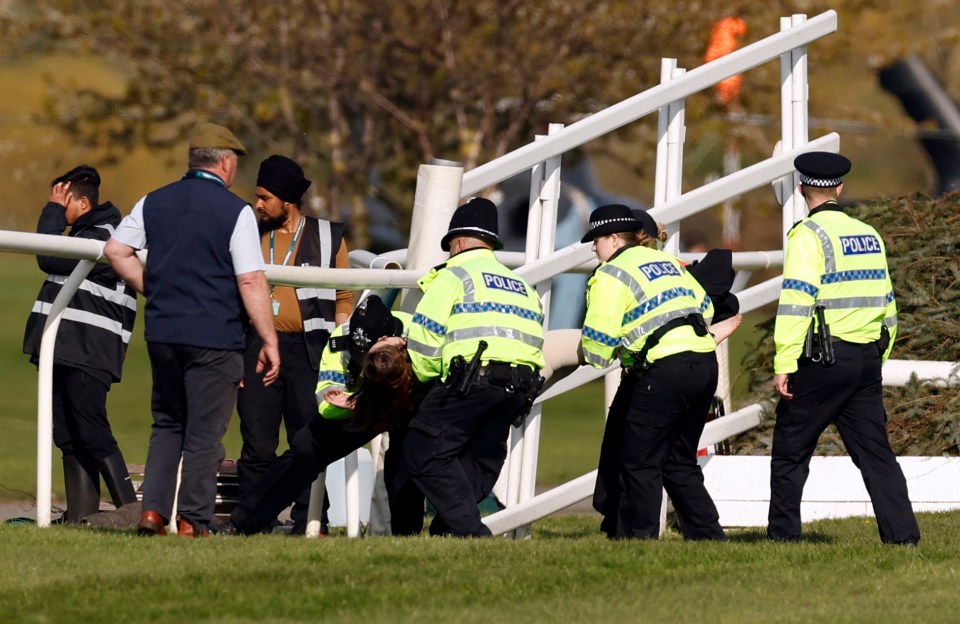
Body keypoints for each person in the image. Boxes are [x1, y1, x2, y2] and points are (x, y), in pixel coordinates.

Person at [104, 122, 280, 537]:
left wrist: (155, 287)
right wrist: (269, 339)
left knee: (167, 424)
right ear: (225, 162)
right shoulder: (235, 211)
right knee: (205, 432)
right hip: (214, 335)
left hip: (164, 330)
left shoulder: (154, 200)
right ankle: (192, 519)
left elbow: (116, 250)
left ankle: (153, 514)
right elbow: (251, 280)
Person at [767, 152, 920, 545]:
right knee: (875, 454)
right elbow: (888, 303)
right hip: (866, 358)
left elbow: (797, 302)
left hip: (822, 360)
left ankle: (784, 537)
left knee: (790, 450)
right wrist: (876, 356)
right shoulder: (869, 234)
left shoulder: (807, 235)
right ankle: (903, 537)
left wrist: (784, 361)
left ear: (802, 189)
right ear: (840, 188)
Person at [580, 203, 725, 540]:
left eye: (597, 240)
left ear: (614, 240)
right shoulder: (665, 261)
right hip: (704, 363)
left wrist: (595, 352)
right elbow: (705, 306)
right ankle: (709, 537)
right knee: (678, 460)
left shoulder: (610, 273)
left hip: (664, 371)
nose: (593, 247)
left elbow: (598, 347)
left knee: (638, 461)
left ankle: (638, 541)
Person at [220, 294, 421, 536]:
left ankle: (409, 533)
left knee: (410, 454)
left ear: (387, 338)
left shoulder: (416, 329)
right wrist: (351, 405)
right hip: (361, 408)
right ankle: (242, 523)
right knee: (305, 449)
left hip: (410, 402)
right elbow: (326, 402)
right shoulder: (340, 341)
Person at [404, 197, 546, 538]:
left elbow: (424, 339)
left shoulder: (455, 275)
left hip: (471, 380)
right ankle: (448, 532)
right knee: (480, 459)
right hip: (519, 387)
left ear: (459, 242)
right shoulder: (523, 286)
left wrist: (422, 378)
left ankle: (472, 532)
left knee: (422, 449)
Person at [236, 155, 352, 534]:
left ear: (286, 199)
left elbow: (344, 298)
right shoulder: (248, 232)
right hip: (256, 349)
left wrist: (339, 357)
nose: (257, 204)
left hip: (311, 351)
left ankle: (312, 520)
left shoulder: (329, 235)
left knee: (308, 438)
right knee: (257, 441)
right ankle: (253, 521)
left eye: (264, 197)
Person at [22, 165, 139, 524]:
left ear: (83, 202)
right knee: (67, 433)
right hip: (66, 347)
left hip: (89, 349)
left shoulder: (107, 233)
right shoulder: (86, 232)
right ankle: (81, 516)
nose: (57, 206)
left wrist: (51, 213)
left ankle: (131, 509)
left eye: (62, 200)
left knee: (90, 428)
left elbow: (49, 256)